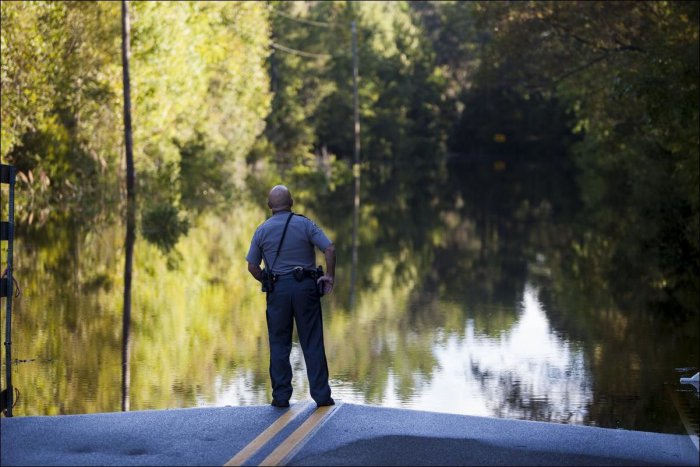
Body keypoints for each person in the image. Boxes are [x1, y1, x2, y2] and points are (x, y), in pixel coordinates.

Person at [246, 185, 336, 408]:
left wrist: (267, 280)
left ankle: (281, 396)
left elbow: (252, 266)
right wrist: (329, 277)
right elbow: (330, 249)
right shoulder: (305, 224)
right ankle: (322, 396)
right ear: (292, 202)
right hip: (306, 288)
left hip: (278, 291)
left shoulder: (262, 230)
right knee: (312, 341)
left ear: (269, 206)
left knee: (279, 343)